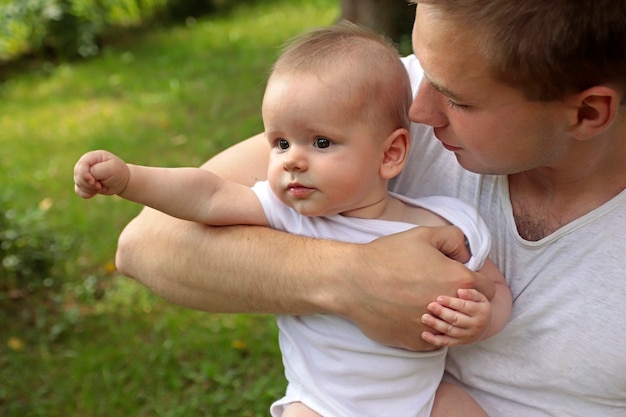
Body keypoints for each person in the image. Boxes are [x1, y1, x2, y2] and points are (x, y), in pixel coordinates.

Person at [113, 0, 626, 416]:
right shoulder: (376, 103)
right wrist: (350, 278)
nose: (419, 112)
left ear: (587, 111)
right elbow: (147, 244)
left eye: (458, 100)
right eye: (422, 67)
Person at [75, 23, 511, 417]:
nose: (292, 161)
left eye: (321, 142)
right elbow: (206, 195)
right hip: (325, 405)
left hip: (425, 399)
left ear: (390, 153)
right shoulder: (289, 216)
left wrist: (482, 321)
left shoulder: (446, 221)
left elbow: (493, 289)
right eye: (280, 143)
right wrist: (130, 179)